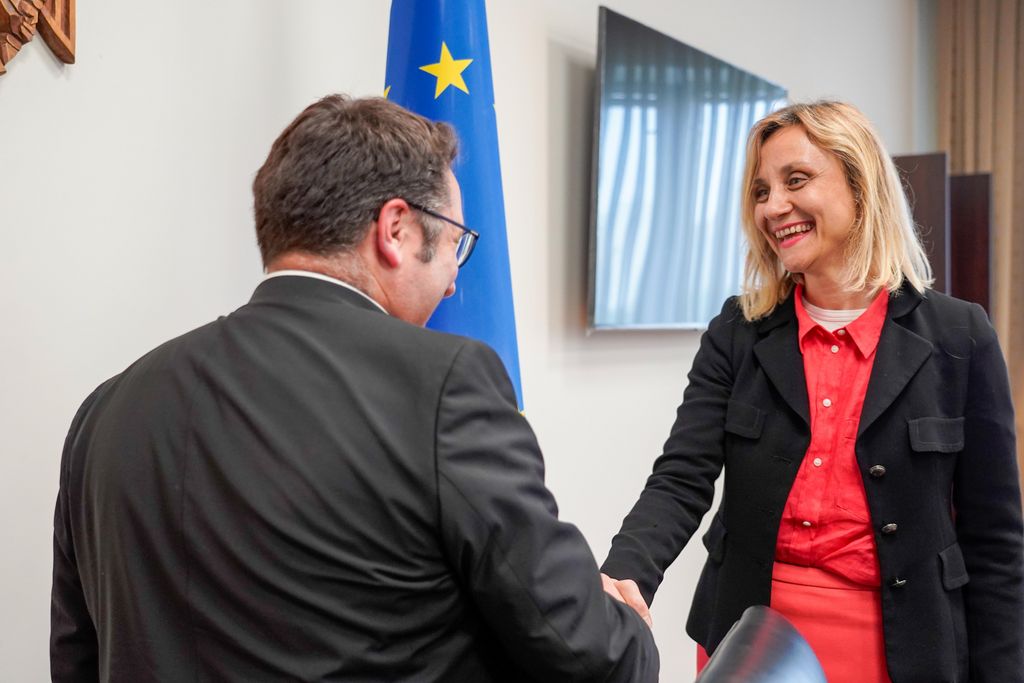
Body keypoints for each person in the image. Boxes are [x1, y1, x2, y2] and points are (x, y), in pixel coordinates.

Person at [50, 95, 658, 683]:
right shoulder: (443, 386)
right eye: (456, 244)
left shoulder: (104, 410)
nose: (453, 283)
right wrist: (626, 624)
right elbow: (587, 655)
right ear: (396, 229)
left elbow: (77, 659)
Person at [599, 101, 1023, 682]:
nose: (773, 207)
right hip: (750, 640)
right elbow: (681, 475)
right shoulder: (738, 329)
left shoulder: (959, 335)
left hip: (903, 645)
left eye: (795, 180)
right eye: (760, 191)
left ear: (860, 185)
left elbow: (995, 541)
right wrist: (625, 571)